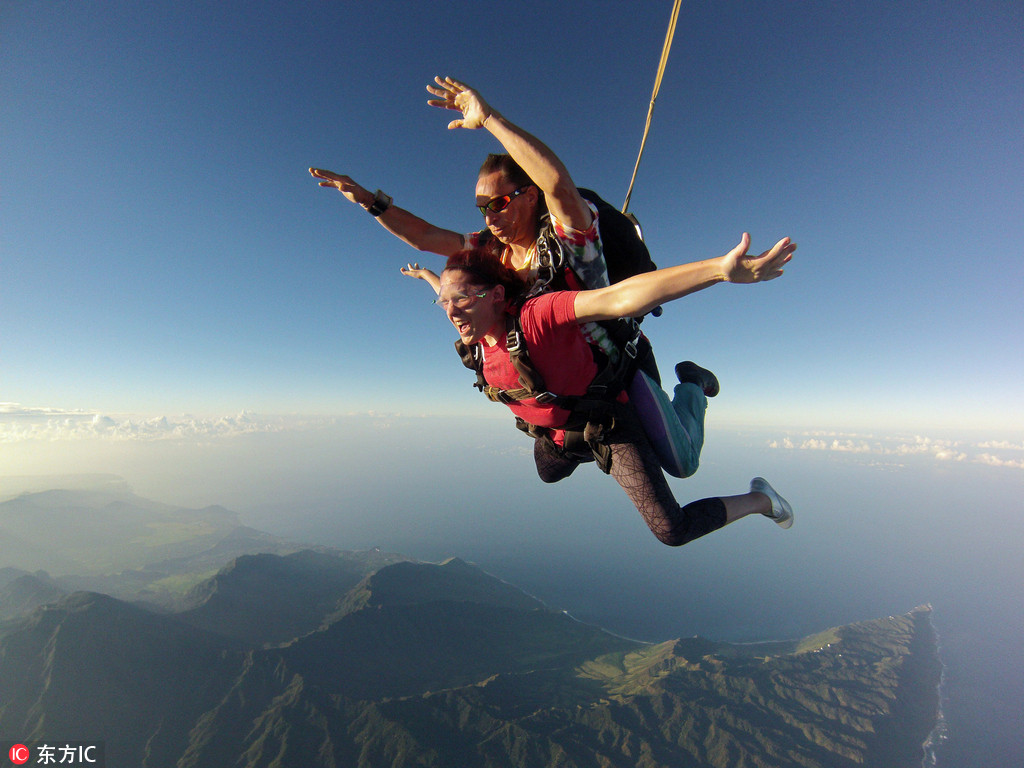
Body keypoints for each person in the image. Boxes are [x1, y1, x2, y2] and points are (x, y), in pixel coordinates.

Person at [405, 232, 797, 546]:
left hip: (608, 425)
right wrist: (426, 276)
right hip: (559, 432)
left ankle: (761, 498)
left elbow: (617, 298)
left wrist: (719, 270)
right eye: (444, 303)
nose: (452, 310)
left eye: (462, 299)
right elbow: (452, 294)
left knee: (671, 529)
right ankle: (581, 444)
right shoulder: (475, 332)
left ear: (495, 297)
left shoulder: (535, 319)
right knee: (548, 472)